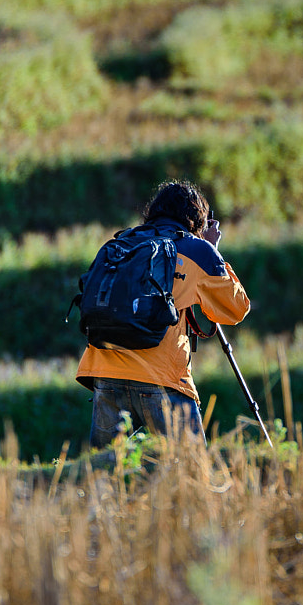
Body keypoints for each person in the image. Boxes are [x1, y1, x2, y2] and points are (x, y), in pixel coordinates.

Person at [77, 180, 250, 446]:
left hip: (104, 371)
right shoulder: (197, 250)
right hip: (161, 378)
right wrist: (213, 250)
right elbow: (235, 309)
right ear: (196, 218)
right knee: (192, 472)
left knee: (105, 473)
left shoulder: (123, 242)